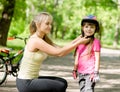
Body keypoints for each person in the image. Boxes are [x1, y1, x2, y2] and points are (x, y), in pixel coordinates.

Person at [16, 12, 90, 92]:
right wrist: (79, 43)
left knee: (62, 82)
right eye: (47, 24)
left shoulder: (43, 39)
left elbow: (61, 48)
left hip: (32, 79)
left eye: (50, 24)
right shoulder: (35, 40)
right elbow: (59, 53)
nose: (50, 26)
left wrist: (78, 39)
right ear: (38, 25)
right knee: (60, 86)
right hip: (25, 82)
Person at [72, 15, 101, 92]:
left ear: (95, 29)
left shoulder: (95, 42)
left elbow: (97, 58)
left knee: (88, 90)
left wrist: (96, 72)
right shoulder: (80, 41)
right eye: (86, 26)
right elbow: (77, 56)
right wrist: (74, 69)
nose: (89, 29)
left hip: (90, 73)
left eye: (92, 27)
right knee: (82, 90)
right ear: (82, 28)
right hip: (81, 72)